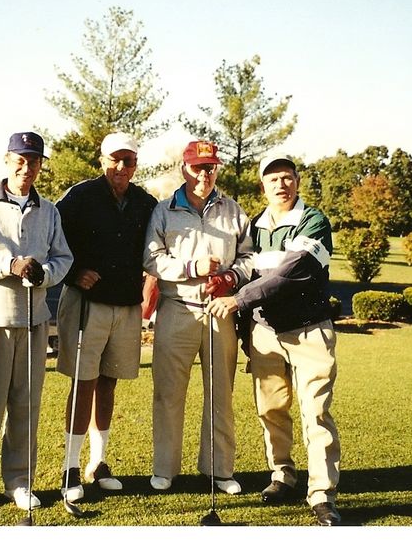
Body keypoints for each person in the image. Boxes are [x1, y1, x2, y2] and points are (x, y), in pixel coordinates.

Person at [206, 154, 342, 526]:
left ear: (297, 181)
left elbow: (292, 271)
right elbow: (247, 268)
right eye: (273, 179)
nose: (281, 184)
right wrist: (229, 286)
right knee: (271, 411)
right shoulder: (256, 226)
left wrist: (238, 299)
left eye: (287, 177)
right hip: (264, 334)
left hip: (308, 329)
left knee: (315, 412)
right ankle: (283, 474)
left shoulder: (313, 220)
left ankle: (322, 493)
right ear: (262, 186)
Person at [0, 132, 73, 515]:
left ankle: (19, 482)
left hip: (34, 321)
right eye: (20, 160)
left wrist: (45, 275)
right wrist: (9, 264)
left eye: (34, 161)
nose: (27, 168)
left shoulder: (49, 210)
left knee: (26, 405)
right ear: (7, 161)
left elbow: (63, 258)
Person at [143, 140, 254, 493]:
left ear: (216, 169)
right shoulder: (164, 210)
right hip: (177, 309)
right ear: (184, 169)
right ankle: (165, 469)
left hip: (220, 310)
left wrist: (230, 278)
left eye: (210, 167)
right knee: (168, 393)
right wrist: (191, 267)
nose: (204, 174)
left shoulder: (233, 210)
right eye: (197, 167)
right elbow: (151, 258)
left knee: (221, 393)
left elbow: (249, 258)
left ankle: (218, 469)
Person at [54, 131, 158, 503]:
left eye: (128, 160)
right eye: (114, 159)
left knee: (109, 383)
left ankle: (97, 463)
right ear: (102, 160)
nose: (121, 166)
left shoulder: (145, 202)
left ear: (135, 164)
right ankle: (69, 466)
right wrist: (73, 272)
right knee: (83, 382)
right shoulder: (79, 196)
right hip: (86, 303)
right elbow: (53, 241)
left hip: (126, 305)